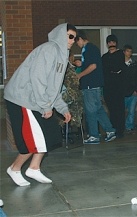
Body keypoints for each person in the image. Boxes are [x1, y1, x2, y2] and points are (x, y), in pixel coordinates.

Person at [4, 23, 75, 186]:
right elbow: (38, 80)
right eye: (70, 36)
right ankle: (15, 168)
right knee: (31, 140)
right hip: (22, 98)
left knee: (50, 135)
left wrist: (63, 108)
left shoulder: (62, 56)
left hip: (36, 99)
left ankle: (34, 168)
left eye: (74, 37)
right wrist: (46, 106)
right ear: (60, 35)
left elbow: (54, 87)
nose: (72, 40)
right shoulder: (49, 49)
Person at [75, 30, 116, 144]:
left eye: (76, 41)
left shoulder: (90, 49)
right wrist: (81, 64)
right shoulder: (88, 49)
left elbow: (93, 66)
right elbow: (90, 64)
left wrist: (80, 75)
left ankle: (94, 135)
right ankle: (110, 130)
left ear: (80, 39)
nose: (76, 44)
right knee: (98, 109)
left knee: (90, 111)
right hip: (94, 84)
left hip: (90, 85)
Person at [102, 34, 127, 138]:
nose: (111, 44)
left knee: (119, 108)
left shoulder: (120, 54)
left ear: (116, 43)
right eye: (109, 42)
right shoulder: (104, 57)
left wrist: (114, 70)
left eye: (113, 42)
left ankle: (120, 130)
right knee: (111, 108)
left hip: (118, 86)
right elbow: (104, 70)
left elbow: (118, 67)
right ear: (107, 44)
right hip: (108, 86)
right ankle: (113, 129)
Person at [123, 44, 137, 133]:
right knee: (122, 111)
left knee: (131, 111)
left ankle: (129, 126)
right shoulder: (120, 65)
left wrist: (136, 90)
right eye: (127, 51)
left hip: (133, 91)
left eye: (130, 51)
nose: (129, 53)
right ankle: (122, 126)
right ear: (124, 52)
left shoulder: (134, 65)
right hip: (123, 92)